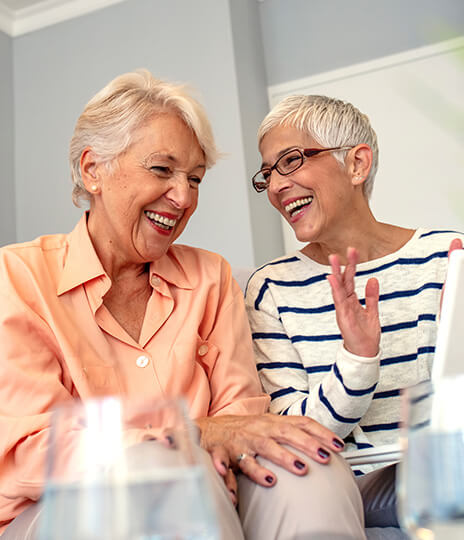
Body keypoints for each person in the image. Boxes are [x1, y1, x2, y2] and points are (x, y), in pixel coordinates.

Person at [0, 71, 367, 540]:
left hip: (210, 490)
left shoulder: (210, 276)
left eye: (194, 179)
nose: (183, 197)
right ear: (94, 170)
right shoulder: (18, 277)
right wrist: (191, 436)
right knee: (168, 478)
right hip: (61, 512)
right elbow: (34, 450)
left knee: (304, 465)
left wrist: (223, 438)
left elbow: (242, 417)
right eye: (161, 169)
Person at [245, 93, 464, 532]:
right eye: (267, 173)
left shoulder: (446, 256)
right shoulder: (271, 288)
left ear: (356, 164)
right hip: (353, 485)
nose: (275, 185)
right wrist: (358, 359)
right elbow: (294, 434)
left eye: (290, 161)